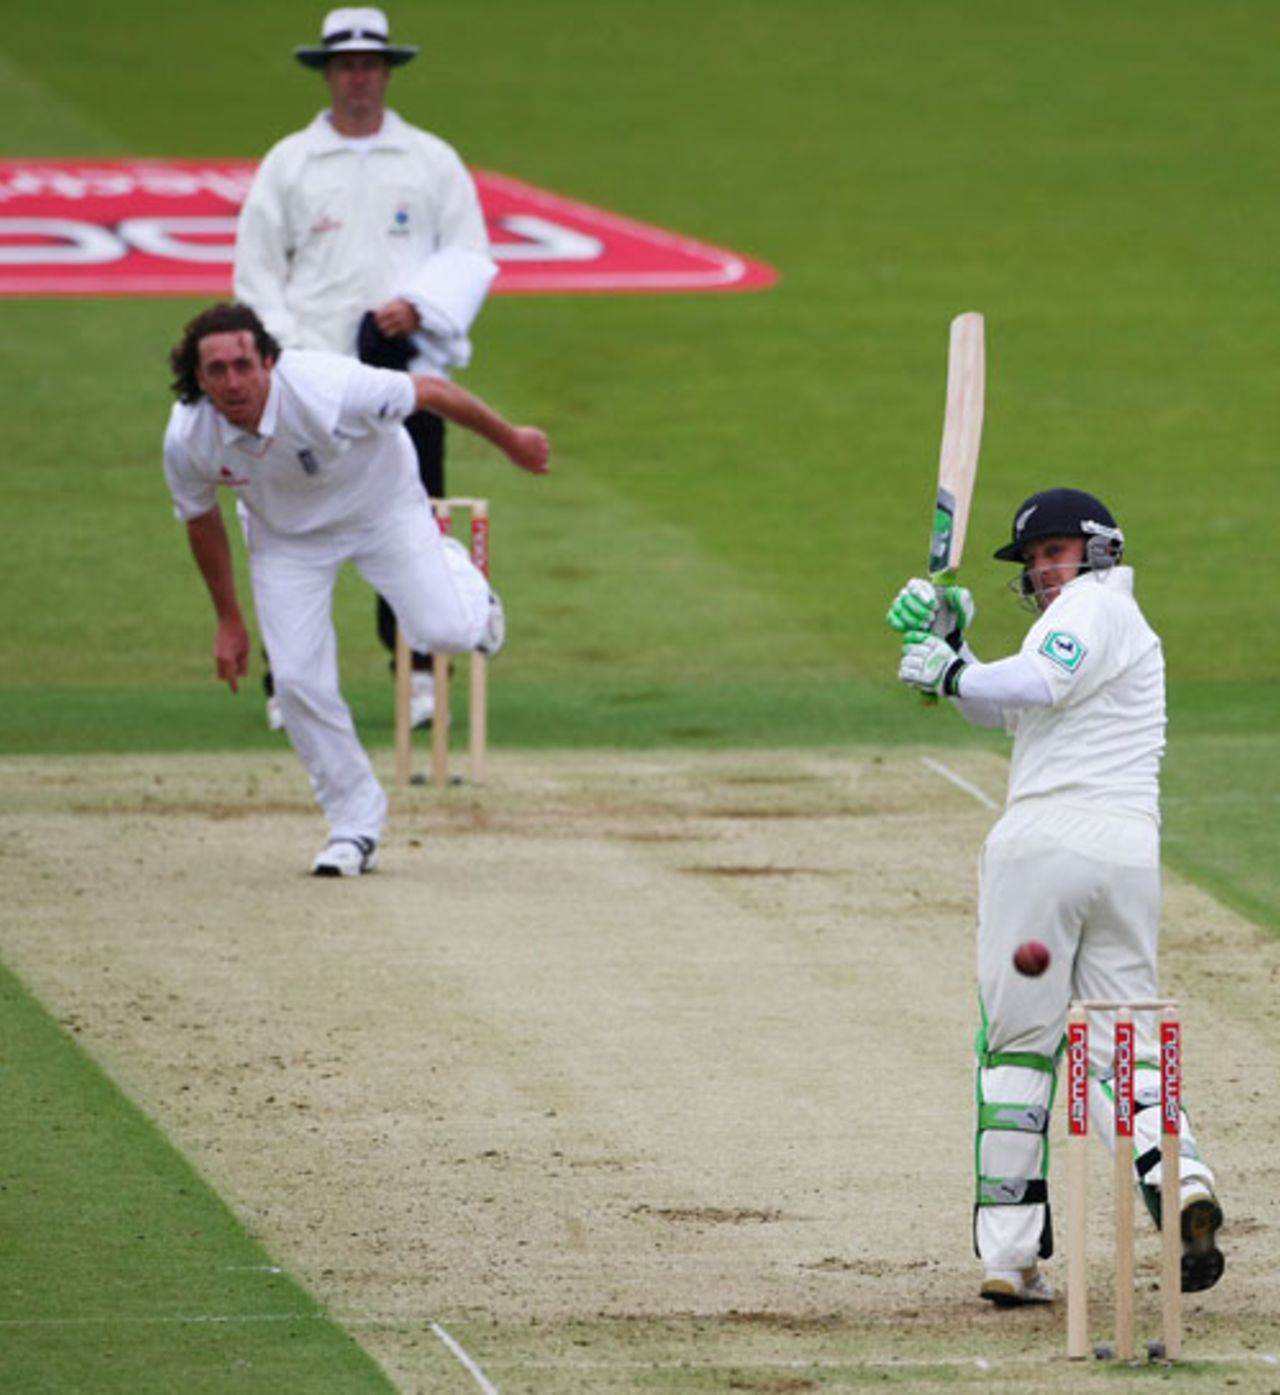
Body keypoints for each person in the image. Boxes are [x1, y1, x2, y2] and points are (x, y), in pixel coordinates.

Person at [888, 487, 1224, 1307]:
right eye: (1034, 558)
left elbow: (1035, 680)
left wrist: (955, 666)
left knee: (1017, 1050)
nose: (1042, 568)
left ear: (1100, 547)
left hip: (1041, 847)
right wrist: (953, 645)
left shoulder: (1094, 609)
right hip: (1127, 857)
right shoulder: (1102, 622)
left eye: (1055, 550)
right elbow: (1003, 705)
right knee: (1129, 1048)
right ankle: (1180, 1187)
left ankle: (1009, 1254)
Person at [163, 302, 548, 876]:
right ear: (199, 377)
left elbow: (433, 393)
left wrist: (511, 439)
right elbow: (200, 518)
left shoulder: (328, 385)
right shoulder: (188, 435)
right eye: (216, 370)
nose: (232, 381)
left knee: (443, 631)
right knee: (295, 682)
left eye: (243, 364)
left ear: (269, 361)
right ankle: (353, 826)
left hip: (382, 510)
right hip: (286, 540)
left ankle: (463, 585)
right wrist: (228, 619)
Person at [234, 6, 496, 732]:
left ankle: (415, 670)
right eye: (346, 65)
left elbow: (471, 253)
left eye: (370, 65)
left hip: (401, 373)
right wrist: (289, 360)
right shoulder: (289, 162)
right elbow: (256, 276)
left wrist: (420, 304)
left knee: (413, 515)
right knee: (287, 525)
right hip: (307, 380)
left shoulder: (430, 159)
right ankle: (289, 678)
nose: (359, 78)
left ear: (386, 71)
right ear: (327, 73)